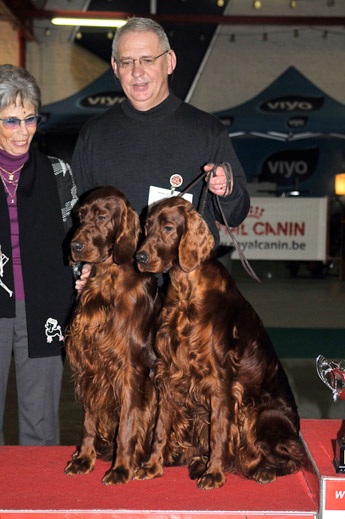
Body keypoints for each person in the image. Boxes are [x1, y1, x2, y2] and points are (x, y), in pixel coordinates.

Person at [72, 16, 250, 274]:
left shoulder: (207, 131)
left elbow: (234, 215)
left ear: (169, 62)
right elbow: (75, 216)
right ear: (115, 66)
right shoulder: (94, 134)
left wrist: (227, 191)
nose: (137, 72)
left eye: (147, 60)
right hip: (119, 296)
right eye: (127, 62)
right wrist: (85, 264)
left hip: (185, 294)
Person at [0, 64, 78, 445]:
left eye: (30, 119)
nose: (24, 131)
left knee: (41, 423)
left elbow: (76, 238)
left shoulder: (58, 171)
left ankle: (38, 499)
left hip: (45, 303)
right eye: (11, 121)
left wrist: (84, 275)